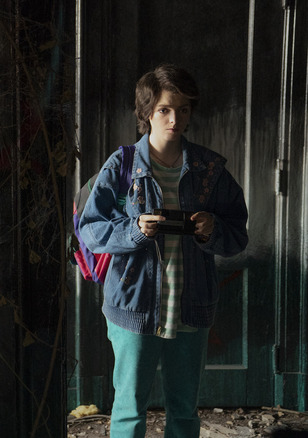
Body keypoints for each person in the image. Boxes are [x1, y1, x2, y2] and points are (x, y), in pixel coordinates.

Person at [78, 63, 249, 437]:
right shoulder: (121, 165)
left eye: (184, 109)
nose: (175, 119)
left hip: (191, 303)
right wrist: (134, 231)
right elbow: (91, 230)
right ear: (146, 112)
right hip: (132, 303)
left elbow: (238, 236)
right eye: (165, 110)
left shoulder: (209, 169)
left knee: (185, 410)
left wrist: (212, 229)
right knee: (128, 409)